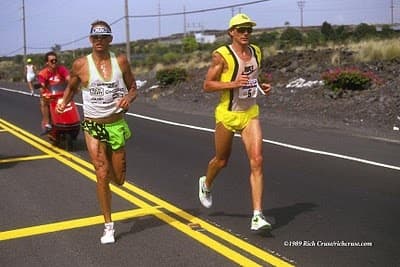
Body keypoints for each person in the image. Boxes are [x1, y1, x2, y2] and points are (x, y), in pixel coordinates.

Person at [56, 20, 138, 244]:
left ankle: (111, 182)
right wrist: (63, 102)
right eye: (95, 37)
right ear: (90, 39)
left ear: (110, 39)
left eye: (103, 37)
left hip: (116, 124)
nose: (99, 41)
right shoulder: (81, 64)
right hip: (93, 124)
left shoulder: (120, 61)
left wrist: (128, 98)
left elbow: (133, 87)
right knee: (101, 174)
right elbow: (72, 87)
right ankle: (108, 226)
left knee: (118, 179)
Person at [198, 13, 272, 231]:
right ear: (231, 32)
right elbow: (208, 85)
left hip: (250, 113)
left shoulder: (256, 52)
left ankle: (257, 216)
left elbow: (251, 78)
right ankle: (206, 183)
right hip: (227, 115)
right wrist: (232, 84)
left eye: (248, 29)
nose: (246, 33)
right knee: (221, 160)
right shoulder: (221, 55)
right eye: (241, 29)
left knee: (257, 160)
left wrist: (261, 86)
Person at [37, 52, 70, 134]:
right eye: (52, 61)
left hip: (62, 94)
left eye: (55, 60)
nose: (54, 62)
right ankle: (47, 123)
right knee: (43, 102)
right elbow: (42, 85)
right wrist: (42, 87)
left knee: (71, 100)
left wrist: (73, 84)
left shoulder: (61, 69)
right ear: (47, 62)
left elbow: (68, 78)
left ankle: (73, 122)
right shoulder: (43, 73)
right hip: (50, 96)